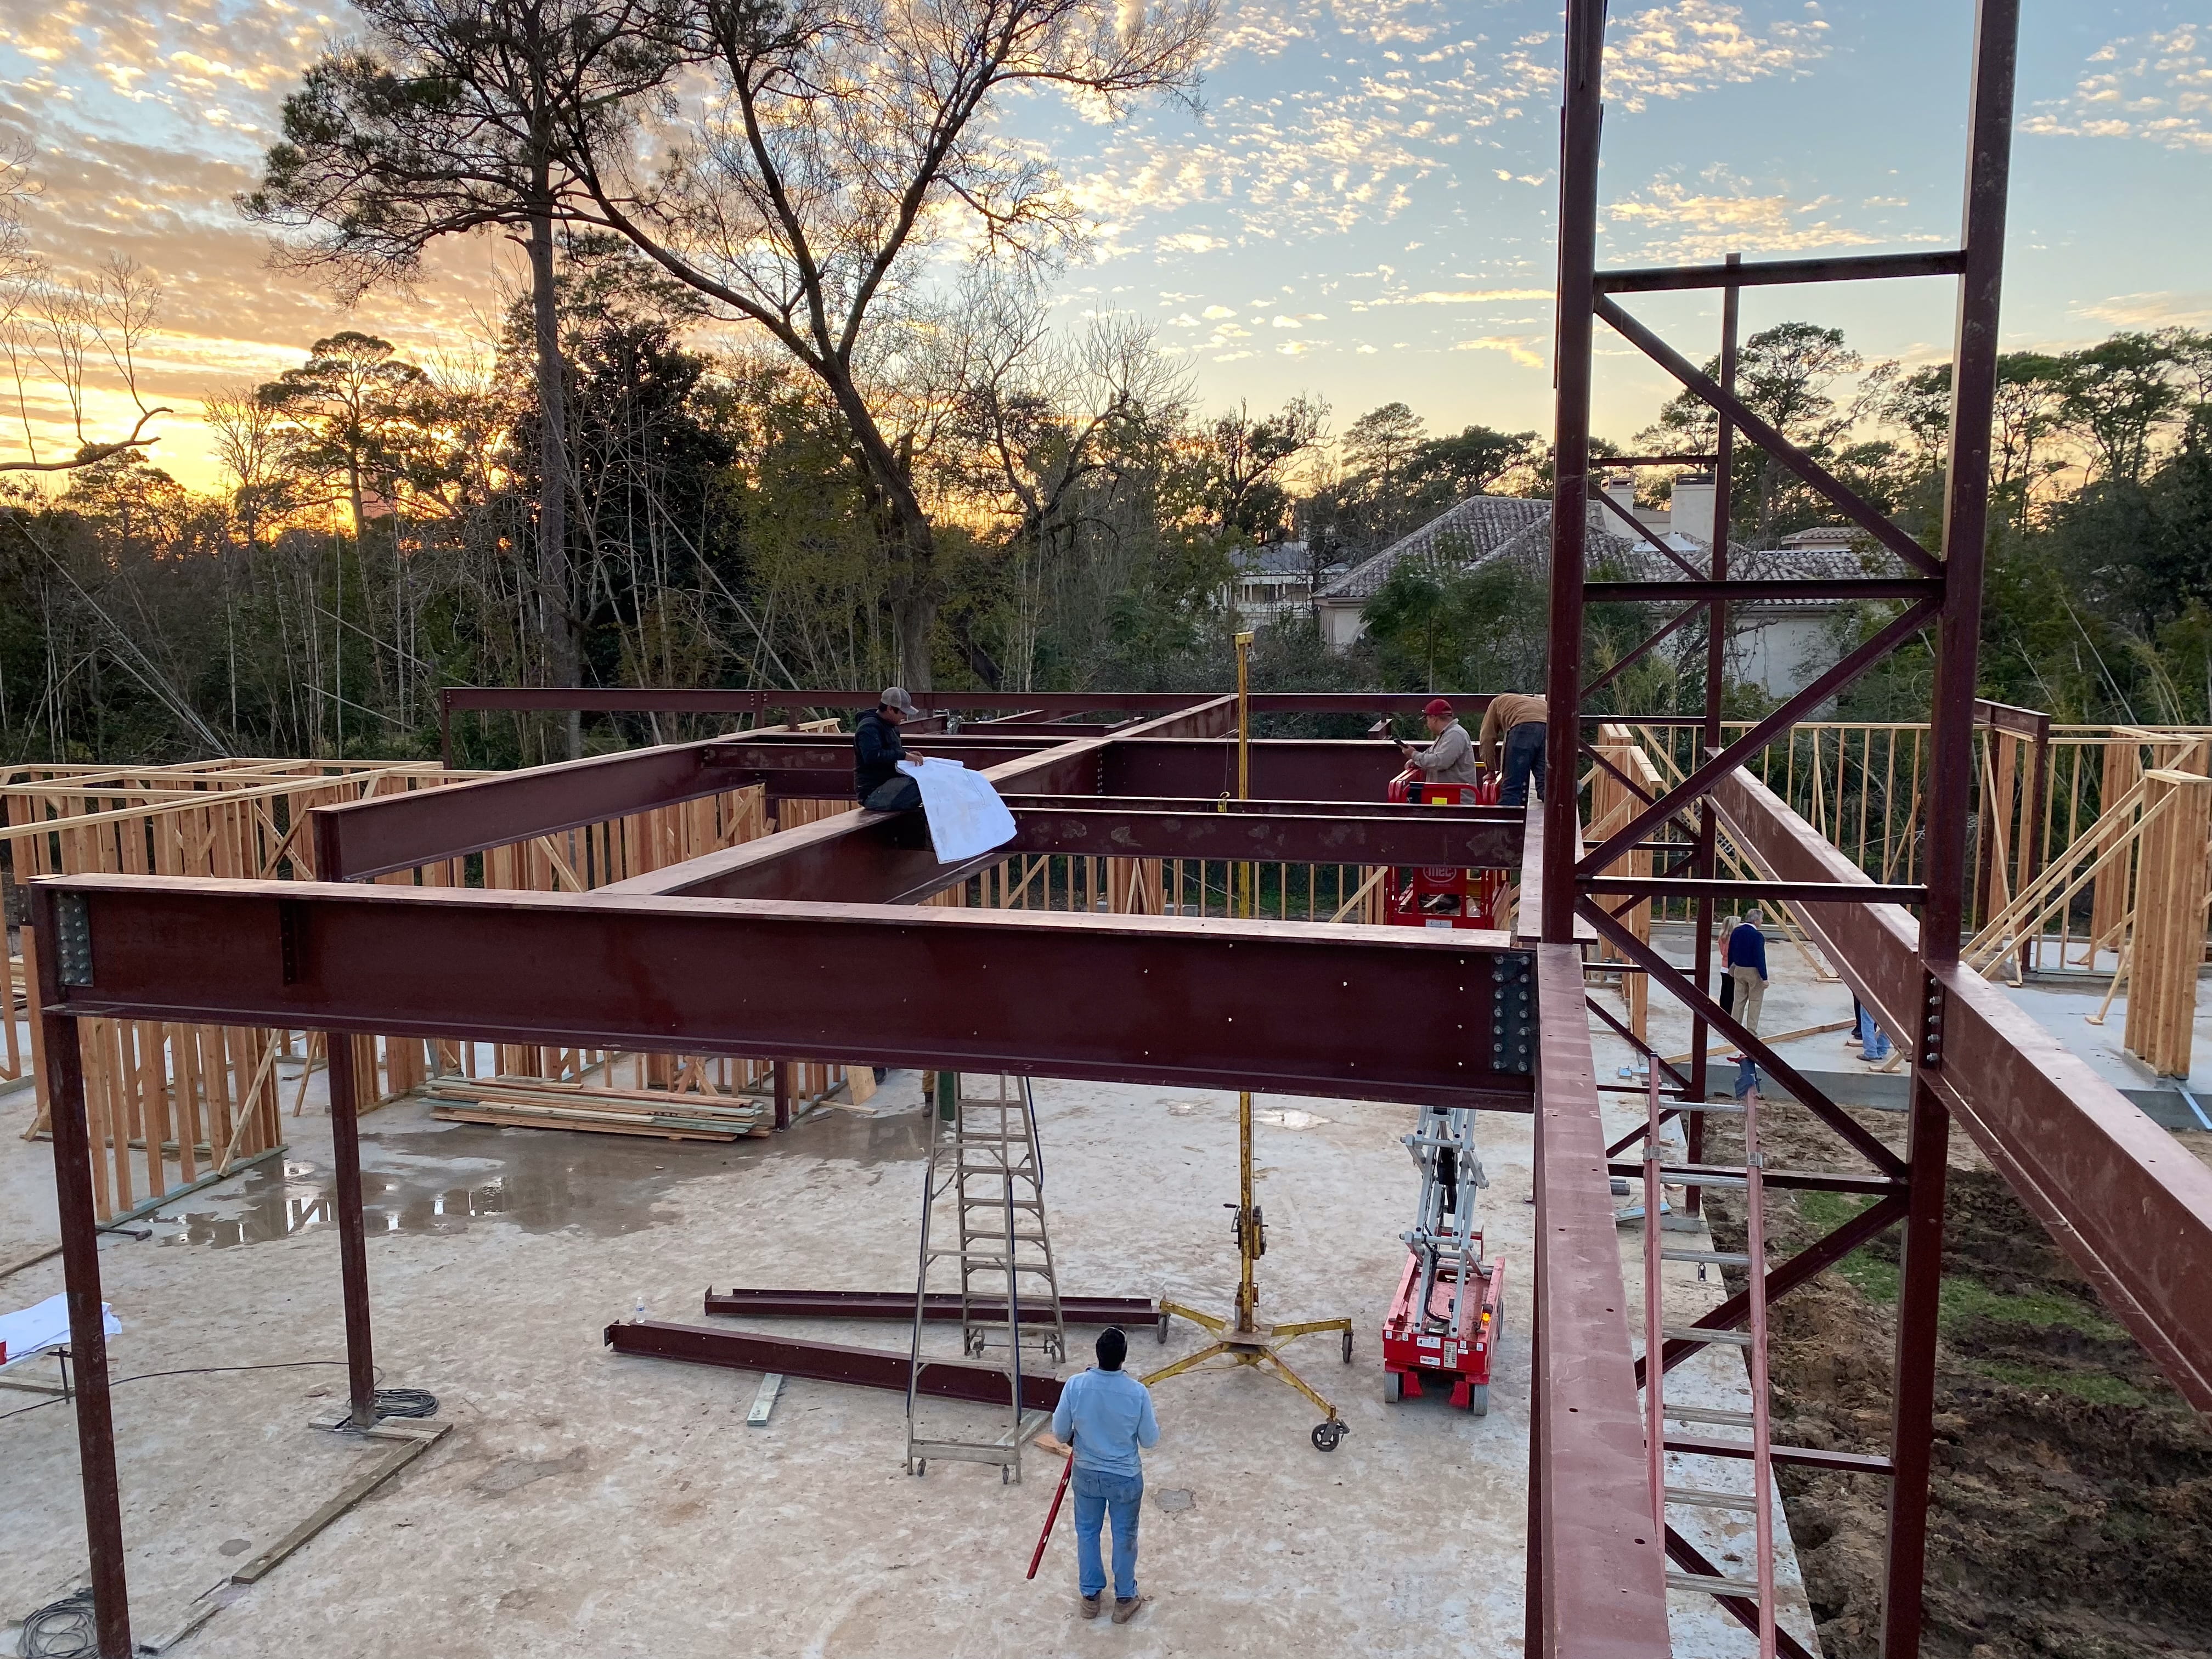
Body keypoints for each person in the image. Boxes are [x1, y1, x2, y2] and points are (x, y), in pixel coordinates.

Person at [1045, 1326, 1159, 1624]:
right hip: (1125, 1477)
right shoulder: (1137, 1392)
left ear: (1097, 1354)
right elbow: (1149, 1440)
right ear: (1124, 1357)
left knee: (1087, 1532)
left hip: (1086, 1473)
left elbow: (1059, 1432)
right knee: (1124, 1536)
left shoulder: (1076, 1385)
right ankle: (1124, 1598)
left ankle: (1090, 1598)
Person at [853, 687, 920, 810]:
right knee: (923, 786)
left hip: (889, 785)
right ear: (890, 709)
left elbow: (890, 750)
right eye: (903, 713)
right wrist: (903, 755)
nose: (905, 717)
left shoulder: (891, 726)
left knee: (928, 782)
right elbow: (873, 756)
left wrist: (908, 754)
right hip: (873, 792)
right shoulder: (868, 727)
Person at [1724, 910, 1769, 1099]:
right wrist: (1764, 977)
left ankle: (1734, 1028)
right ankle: (1750, 1033)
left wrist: (1731, 967)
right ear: (1757, 920)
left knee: (1738, 1001)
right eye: (1761, 919)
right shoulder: (1757, 936)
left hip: (1739, 970)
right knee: (1755, 1002)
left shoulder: (1736, 931)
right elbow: (1760, 957)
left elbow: (1731, 950)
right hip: (1753, 972)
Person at [1478, 692, 1548, 808]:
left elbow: (1487, 738)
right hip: (1550, 729)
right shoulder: (1536, 703)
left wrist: (1490, 770)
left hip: (1523, 729)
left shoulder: (1498, 701)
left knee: (1511, 789)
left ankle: (1505, 824)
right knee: (1547, 787)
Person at [1397, 698, 1480, 789]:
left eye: (1427, 719)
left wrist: (1414, 755)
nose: (1427, 724)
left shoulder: (1455, 734)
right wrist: (1417, 761)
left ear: (1434, 719)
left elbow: (1441, 762)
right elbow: (1432, 754)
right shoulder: (1447, 734)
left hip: (1457, 799)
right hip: (1447, 795)